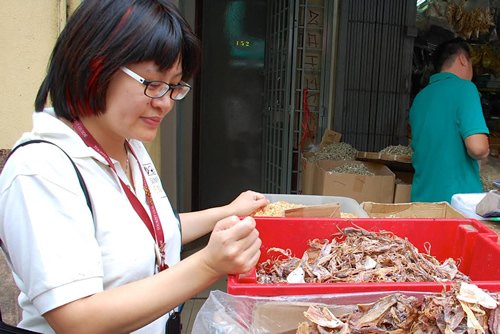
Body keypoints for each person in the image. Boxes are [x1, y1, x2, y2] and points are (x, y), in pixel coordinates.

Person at [0, 1, 269, 333]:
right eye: (152, 84)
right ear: (94, 66)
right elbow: (76, 319)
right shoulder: (42, 169)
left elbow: (146, 233)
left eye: (174, 86)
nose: (165, 102)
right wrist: (207, 264)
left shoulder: (128, 144)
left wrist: (226, 211)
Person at [409, 37, 490, 203]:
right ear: (462, 59)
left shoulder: (420, 98)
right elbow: (478, 148)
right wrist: (485, 154)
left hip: (421, 201)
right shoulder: (465, 88)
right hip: (457, 203)